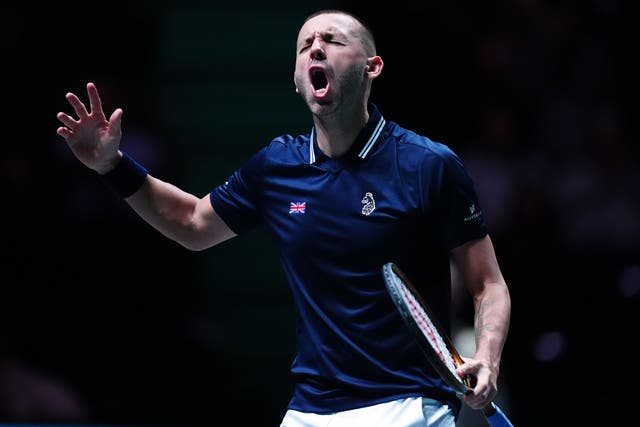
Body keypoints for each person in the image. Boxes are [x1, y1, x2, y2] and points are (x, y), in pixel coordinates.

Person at [56, 9, 511, 427]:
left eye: (332, 40)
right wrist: (112, 167)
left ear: (372, 68)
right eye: (305, 44)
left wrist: (487, 359)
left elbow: (487, 284)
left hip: (409, 406)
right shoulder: (277, 166)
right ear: (297, 80)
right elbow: (192, 223)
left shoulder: (428, 165)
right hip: (309, 411)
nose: (316, 46)